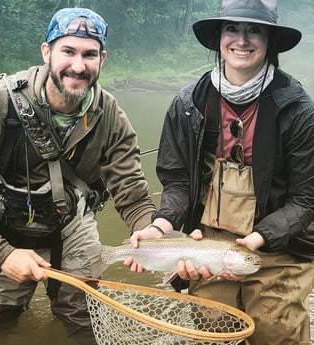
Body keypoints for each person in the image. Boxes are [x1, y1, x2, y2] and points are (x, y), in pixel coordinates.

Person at [125, 0, 314, 344]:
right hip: (207, 241)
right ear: (219, 37)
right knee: (212, 326)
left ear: (270, 40)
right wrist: (161, 225)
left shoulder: (298, 109)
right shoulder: (188, 104)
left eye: (254, 29)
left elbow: (305, 201)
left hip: (279, 245)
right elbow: (178, 181)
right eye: (233, 29)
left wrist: (256, 241)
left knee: (276, 328)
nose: (242, 40)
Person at [0, 7, 155, 343]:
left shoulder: (111, 115)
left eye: (89, 54)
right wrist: (0, 254)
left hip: (71, 222)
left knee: (87, 319)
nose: (78, 65)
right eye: (68, 51)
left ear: (102, 58)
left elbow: (134, 195)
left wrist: (152, 233)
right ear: (47, 52)